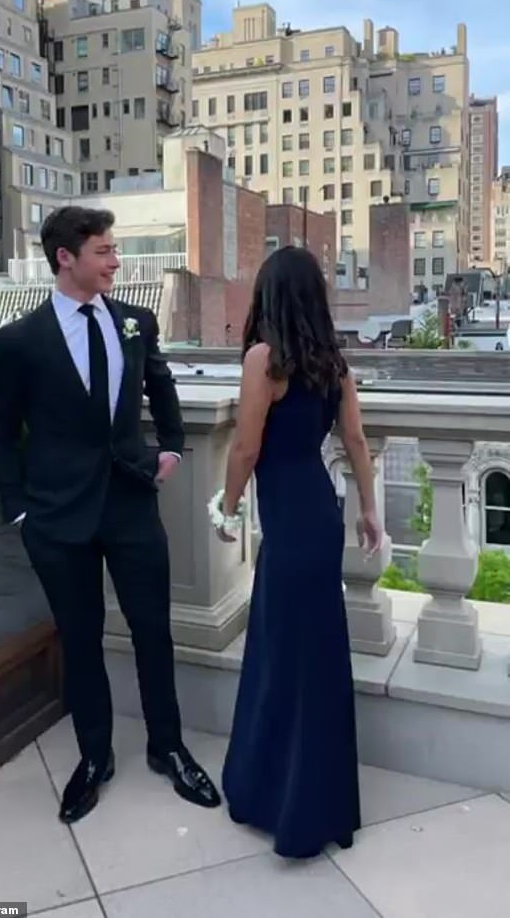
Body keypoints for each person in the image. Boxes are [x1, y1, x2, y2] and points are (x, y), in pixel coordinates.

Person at [0, 206, 220, 823]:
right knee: (81, 642)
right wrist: (19, 514)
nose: (116, 261)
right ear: (67, 258)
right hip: (57, 519)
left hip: (132, 504)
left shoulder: (136, 323)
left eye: (115, 251)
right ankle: (94, 758)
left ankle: (168, 748)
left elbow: (161, 387)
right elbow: (0, 434)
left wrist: (170, 447)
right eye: (105, 252)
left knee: (152, 632)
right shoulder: (19, 340)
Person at [212, 245, 382, 859]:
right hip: (321, 510)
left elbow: (246, 450)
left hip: (287, 520)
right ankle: (321, 802)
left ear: (269, 296)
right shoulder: (333, 365)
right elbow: (356, 440)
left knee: (282, 652)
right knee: (317, 654)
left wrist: (226, 506)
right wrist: (369, 509)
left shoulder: (264, 360)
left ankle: (275, 796)